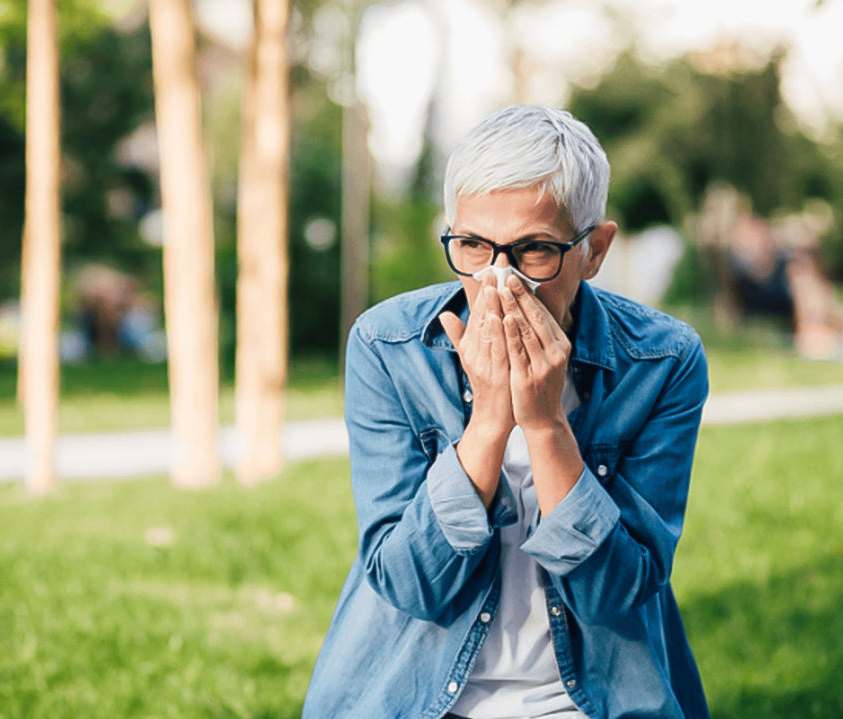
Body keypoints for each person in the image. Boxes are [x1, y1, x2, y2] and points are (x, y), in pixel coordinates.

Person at [302, 105, 711, 719]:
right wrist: (490, 422)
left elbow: (615, 594)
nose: (499, 280)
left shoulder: (661, 361)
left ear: (594, 250)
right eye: (472, 245)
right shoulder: (387, 347)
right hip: (415, 701)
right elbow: (411, 585)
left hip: (594, 702)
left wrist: (546, 425)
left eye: (534, 250)